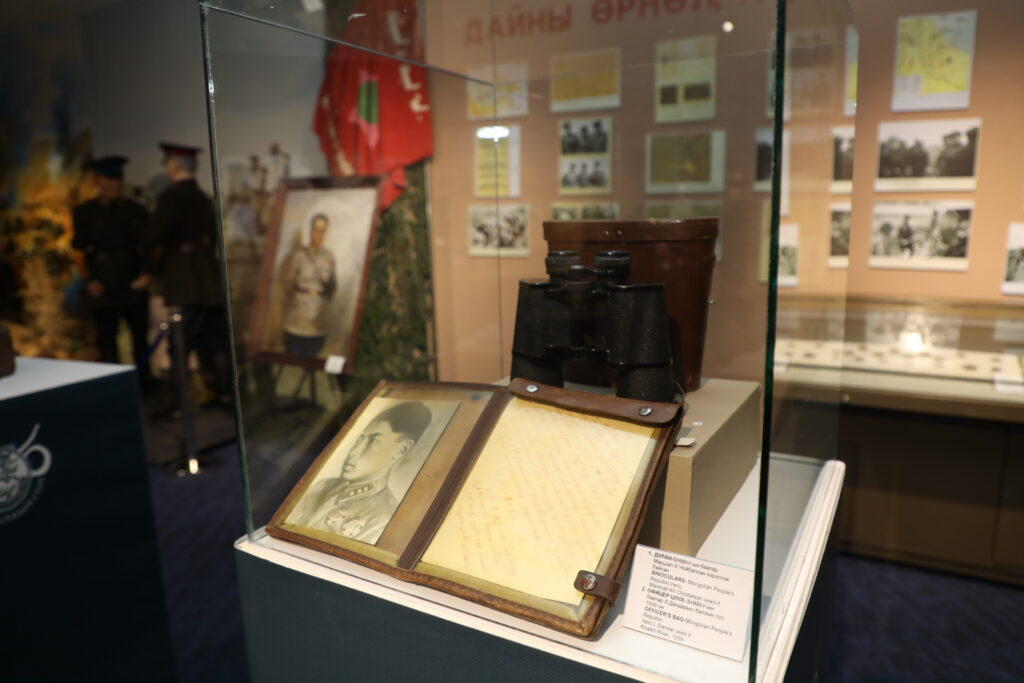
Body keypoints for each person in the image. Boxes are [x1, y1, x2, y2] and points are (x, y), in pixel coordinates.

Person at [143, 142, 228, 403]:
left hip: (185, 282)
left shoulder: (172, 198)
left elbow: (152, 236)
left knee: (180, 344)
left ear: (174, 165)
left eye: (167, 162)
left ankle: (179, 402)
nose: (167, 167)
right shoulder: (203, 198)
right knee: (214, 341)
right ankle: (222, 394)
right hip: (208, 280)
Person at [290, 401, 433, 544]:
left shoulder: (385, 520)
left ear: (401, 449)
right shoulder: (322, 486)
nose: (354, 452)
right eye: (359, 440)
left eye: (373, 441)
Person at [72, 156, 153, 384]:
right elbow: (78, 251)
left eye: (118, 179)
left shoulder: (136, 211)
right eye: (109, 179)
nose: (115, 184)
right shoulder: (85, 212)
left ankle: (145, 382)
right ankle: (114, 384)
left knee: (140, 337)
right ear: (98, 181)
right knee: (106, 339)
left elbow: (149, 247)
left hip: (133, 281)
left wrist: (146, 273)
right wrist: (90, 279)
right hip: (102, 283)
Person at [278, 213, 338, 357]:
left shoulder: (329, 256)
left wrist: (323, 298)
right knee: (293, 354)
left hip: (318, 317)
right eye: (316, 229)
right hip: (298, 314)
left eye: (323, 230)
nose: (319, 234)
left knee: (313, 354)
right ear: (311, 230)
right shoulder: (299, 255)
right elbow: (288, 283)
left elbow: (332, 285)